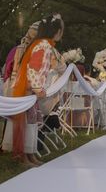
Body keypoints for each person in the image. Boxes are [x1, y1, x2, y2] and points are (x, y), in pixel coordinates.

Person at [11, 14, 66, 166]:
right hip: (28, 90)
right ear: (56, 31)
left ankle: (31, 153)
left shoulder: (42, 44)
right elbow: (34, 68)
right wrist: (37, 88)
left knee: (32, 122)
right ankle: (24, 156)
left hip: (30, 91)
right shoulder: (43, 46)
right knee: (28, 122)